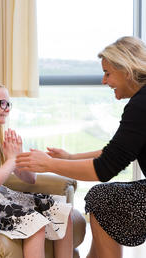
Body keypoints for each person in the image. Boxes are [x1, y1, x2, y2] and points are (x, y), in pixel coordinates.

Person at [16, 36, 146, 258]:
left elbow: (104, 170)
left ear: (126, 70)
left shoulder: (140, 106)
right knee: (105, 198)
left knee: (103, 198)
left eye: (108, 73)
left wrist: (49, 164)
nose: (104, 81)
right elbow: (118, 151)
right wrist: (70, 158)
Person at [0, 80, 73, 258]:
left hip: (0, 195)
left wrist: (20, 157)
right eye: (1, 103)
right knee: (34, 222)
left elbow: (30, 179)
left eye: (8, 103)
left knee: (63, 211)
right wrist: (12, 160)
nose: (7, 108)